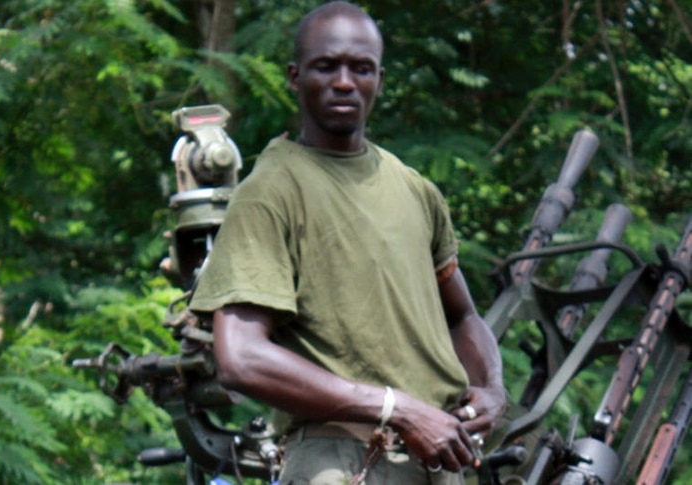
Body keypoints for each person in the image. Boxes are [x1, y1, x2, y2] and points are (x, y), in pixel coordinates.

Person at [189, 2, 507, 484]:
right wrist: (395, 409)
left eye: (360, 68)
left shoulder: (415, 189)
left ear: (379, 79)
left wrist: (492, 388)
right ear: (295, 77)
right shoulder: (272, 191)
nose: (343, 82)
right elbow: (241, 359)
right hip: (341, 459)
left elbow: (462, 315)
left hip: (440, 461)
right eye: (326, 66)